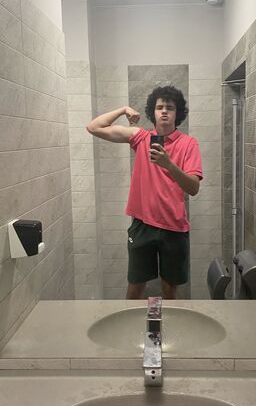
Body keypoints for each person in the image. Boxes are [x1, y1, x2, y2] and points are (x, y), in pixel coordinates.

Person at [86, 85, 203, 299]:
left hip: (174, 226)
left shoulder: (189, 144)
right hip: (142, 224)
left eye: (170, 107)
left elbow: (193, 188)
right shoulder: (140, 137)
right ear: (153, 112)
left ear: (177, 113)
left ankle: (168, 321)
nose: (164, 111)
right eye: (159, 107)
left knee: (170, 290)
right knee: (135, 287)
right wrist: (123, 109)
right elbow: (94, 127)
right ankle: (131, 322)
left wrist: (169, 165)